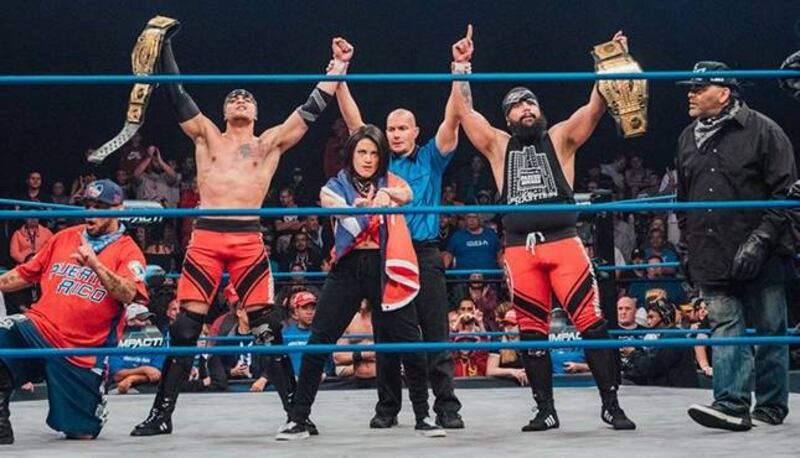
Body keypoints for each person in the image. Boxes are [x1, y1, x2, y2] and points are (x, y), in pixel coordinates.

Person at [130, 35, 354, 436]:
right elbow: (177, 95)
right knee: (185, 329)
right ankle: (161, 415)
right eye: (233, 98)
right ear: (223, 110)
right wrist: (164, 47)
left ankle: (296, 414)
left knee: (267, 329)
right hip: (206, 239)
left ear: (256, 111)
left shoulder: (268, 143)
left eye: (246, 98)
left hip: (248, 240)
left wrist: (337, 68)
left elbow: (309, 111)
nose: (239, 100)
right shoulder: (207, 136)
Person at [452, 27, 636, 431]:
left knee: (592, 323)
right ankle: (545, 409)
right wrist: (461, 66)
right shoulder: (498, 145)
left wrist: (612, 61)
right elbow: (465, 113)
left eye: (530, 102)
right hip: (521, 251)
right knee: (532, 332)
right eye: (517, 105)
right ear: (507, 118)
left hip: (564, 243)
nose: (526, 108)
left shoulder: (561, 138)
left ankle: (612, 405)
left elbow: (595, 108)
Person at [332, 27, 465, 430]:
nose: (394, 133)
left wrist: (460, 68)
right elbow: (353, 122)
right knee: (387, 335)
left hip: (423, 251)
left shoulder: (431, 158)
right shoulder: (378, 161)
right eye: (390, 128)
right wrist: (340, 72)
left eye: (402, 128)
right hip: (385, 253)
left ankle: (446, 407)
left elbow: (454, 118)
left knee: (435, 331)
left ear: (415, 131)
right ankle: (387, 408)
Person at [277, 125, 444, 440]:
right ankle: (298, 419)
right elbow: (328, 201)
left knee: (411, 341)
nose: (368, 159)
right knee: (319, 340)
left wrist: (386, 195)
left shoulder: (390, 182)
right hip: (348, 268)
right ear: (351, 154)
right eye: (362, 152)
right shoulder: (336, 184)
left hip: (386, 266)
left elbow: (408, 194)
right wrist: (357, 208)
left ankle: (424, 416)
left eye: (374, 153)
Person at [675, 61, 796, 431]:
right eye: (690, 88)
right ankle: (731, 403)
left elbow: (786, 195)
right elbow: (683, 199)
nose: (691, 94)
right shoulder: (687, 137)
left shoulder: (764, 131)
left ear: (724, 92)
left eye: (699, 88)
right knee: (725, 327)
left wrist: (760, 240)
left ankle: (771, 406)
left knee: (771, 330)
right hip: (711, 251)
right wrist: (687, 246)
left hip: (763, 250)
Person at [0, 179, 148, 444]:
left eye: (100, 207)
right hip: (39, 327)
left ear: (118, 209)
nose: (91, 212)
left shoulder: (129, 251)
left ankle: (90, 401)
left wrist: (95, 265)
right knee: (3, 335)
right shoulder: (65, 237)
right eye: (88, 205)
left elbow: (128, 293)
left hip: (80, 351)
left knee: (82, 433)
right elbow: (24, 274)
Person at [623, 299, 699, 388]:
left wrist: (633, 353)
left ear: (665, 317)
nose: (648, 322)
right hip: (671, 387)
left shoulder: (672, 338)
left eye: (651, 317)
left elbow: (652, 368)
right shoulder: (670, 335)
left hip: (676, 390)